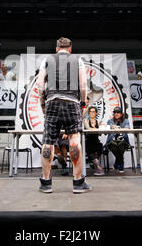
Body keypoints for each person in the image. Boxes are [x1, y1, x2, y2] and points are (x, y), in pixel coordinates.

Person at [37, 37, 90, 194]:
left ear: (56, 49)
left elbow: (40, 85)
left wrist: (42, 104)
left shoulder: (47, 60)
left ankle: (46, 183)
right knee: (74, 140)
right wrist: (82, 103)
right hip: (72, 102)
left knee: (48, 142)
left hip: (52, 101)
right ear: (70, 49)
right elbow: (83, 85)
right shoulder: (77, 60)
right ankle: (78, 183)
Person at [105, 107, 131, 173]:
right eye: (115, 112)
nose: (116, 114)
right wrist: (110, 127)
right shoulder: (110, 121)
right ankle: (121, 163)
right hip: (112, 141)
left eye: (118, 112)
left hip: (123, 140)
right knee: (113, 147)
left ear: (121, 114)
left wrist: (118, 128)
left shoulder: (126, 120)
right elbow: (106, 131)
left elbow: (127, 128)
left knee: (121, 147)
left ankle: (117, 163)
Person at [83, 106, 104, 176]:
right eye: (91, 112)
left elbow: (101, 132)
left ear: (96, 113)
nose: (92, 113)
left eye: (94, 112)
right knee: (91, 151)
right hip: (88, 142)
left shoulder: (98, 122)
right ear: (88, 113)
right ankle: (99, 168)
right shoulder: (86, 120)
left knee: (100, 146)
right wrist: (97, 129)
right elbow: (88, 128)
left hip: (96, 142)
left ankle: (95, 166)